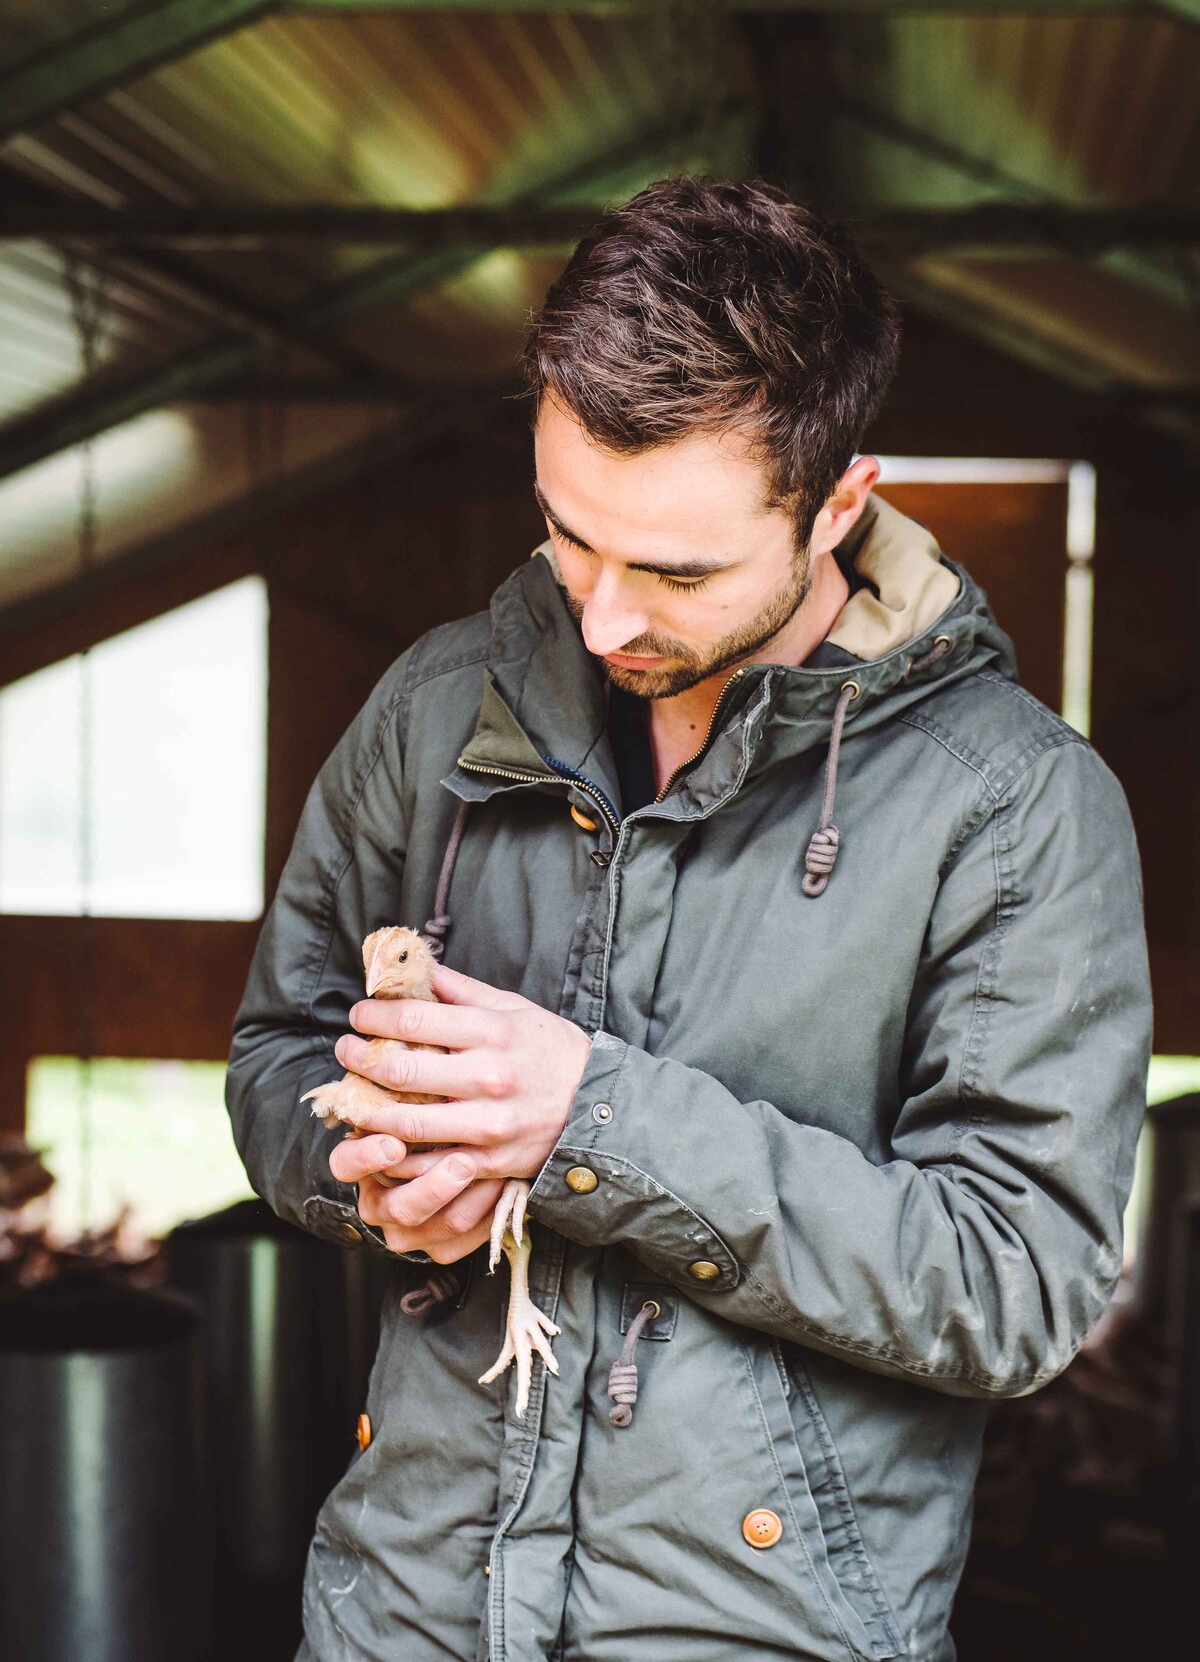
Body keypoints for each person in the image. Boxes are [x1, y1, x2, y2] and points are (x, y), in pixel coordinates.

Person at [227, 177, 1153, 1662]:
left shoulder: (1016, 806)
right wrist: (366, 1176)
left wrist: (593, 1121)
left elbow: (1016, 1284)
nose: (601, 616)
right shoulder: (432, 712)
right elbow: (280, 1051)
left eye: (675, 570)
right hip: (399, 1612)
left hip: (756, 1629)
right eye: (567, 534)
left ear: (837, 504)